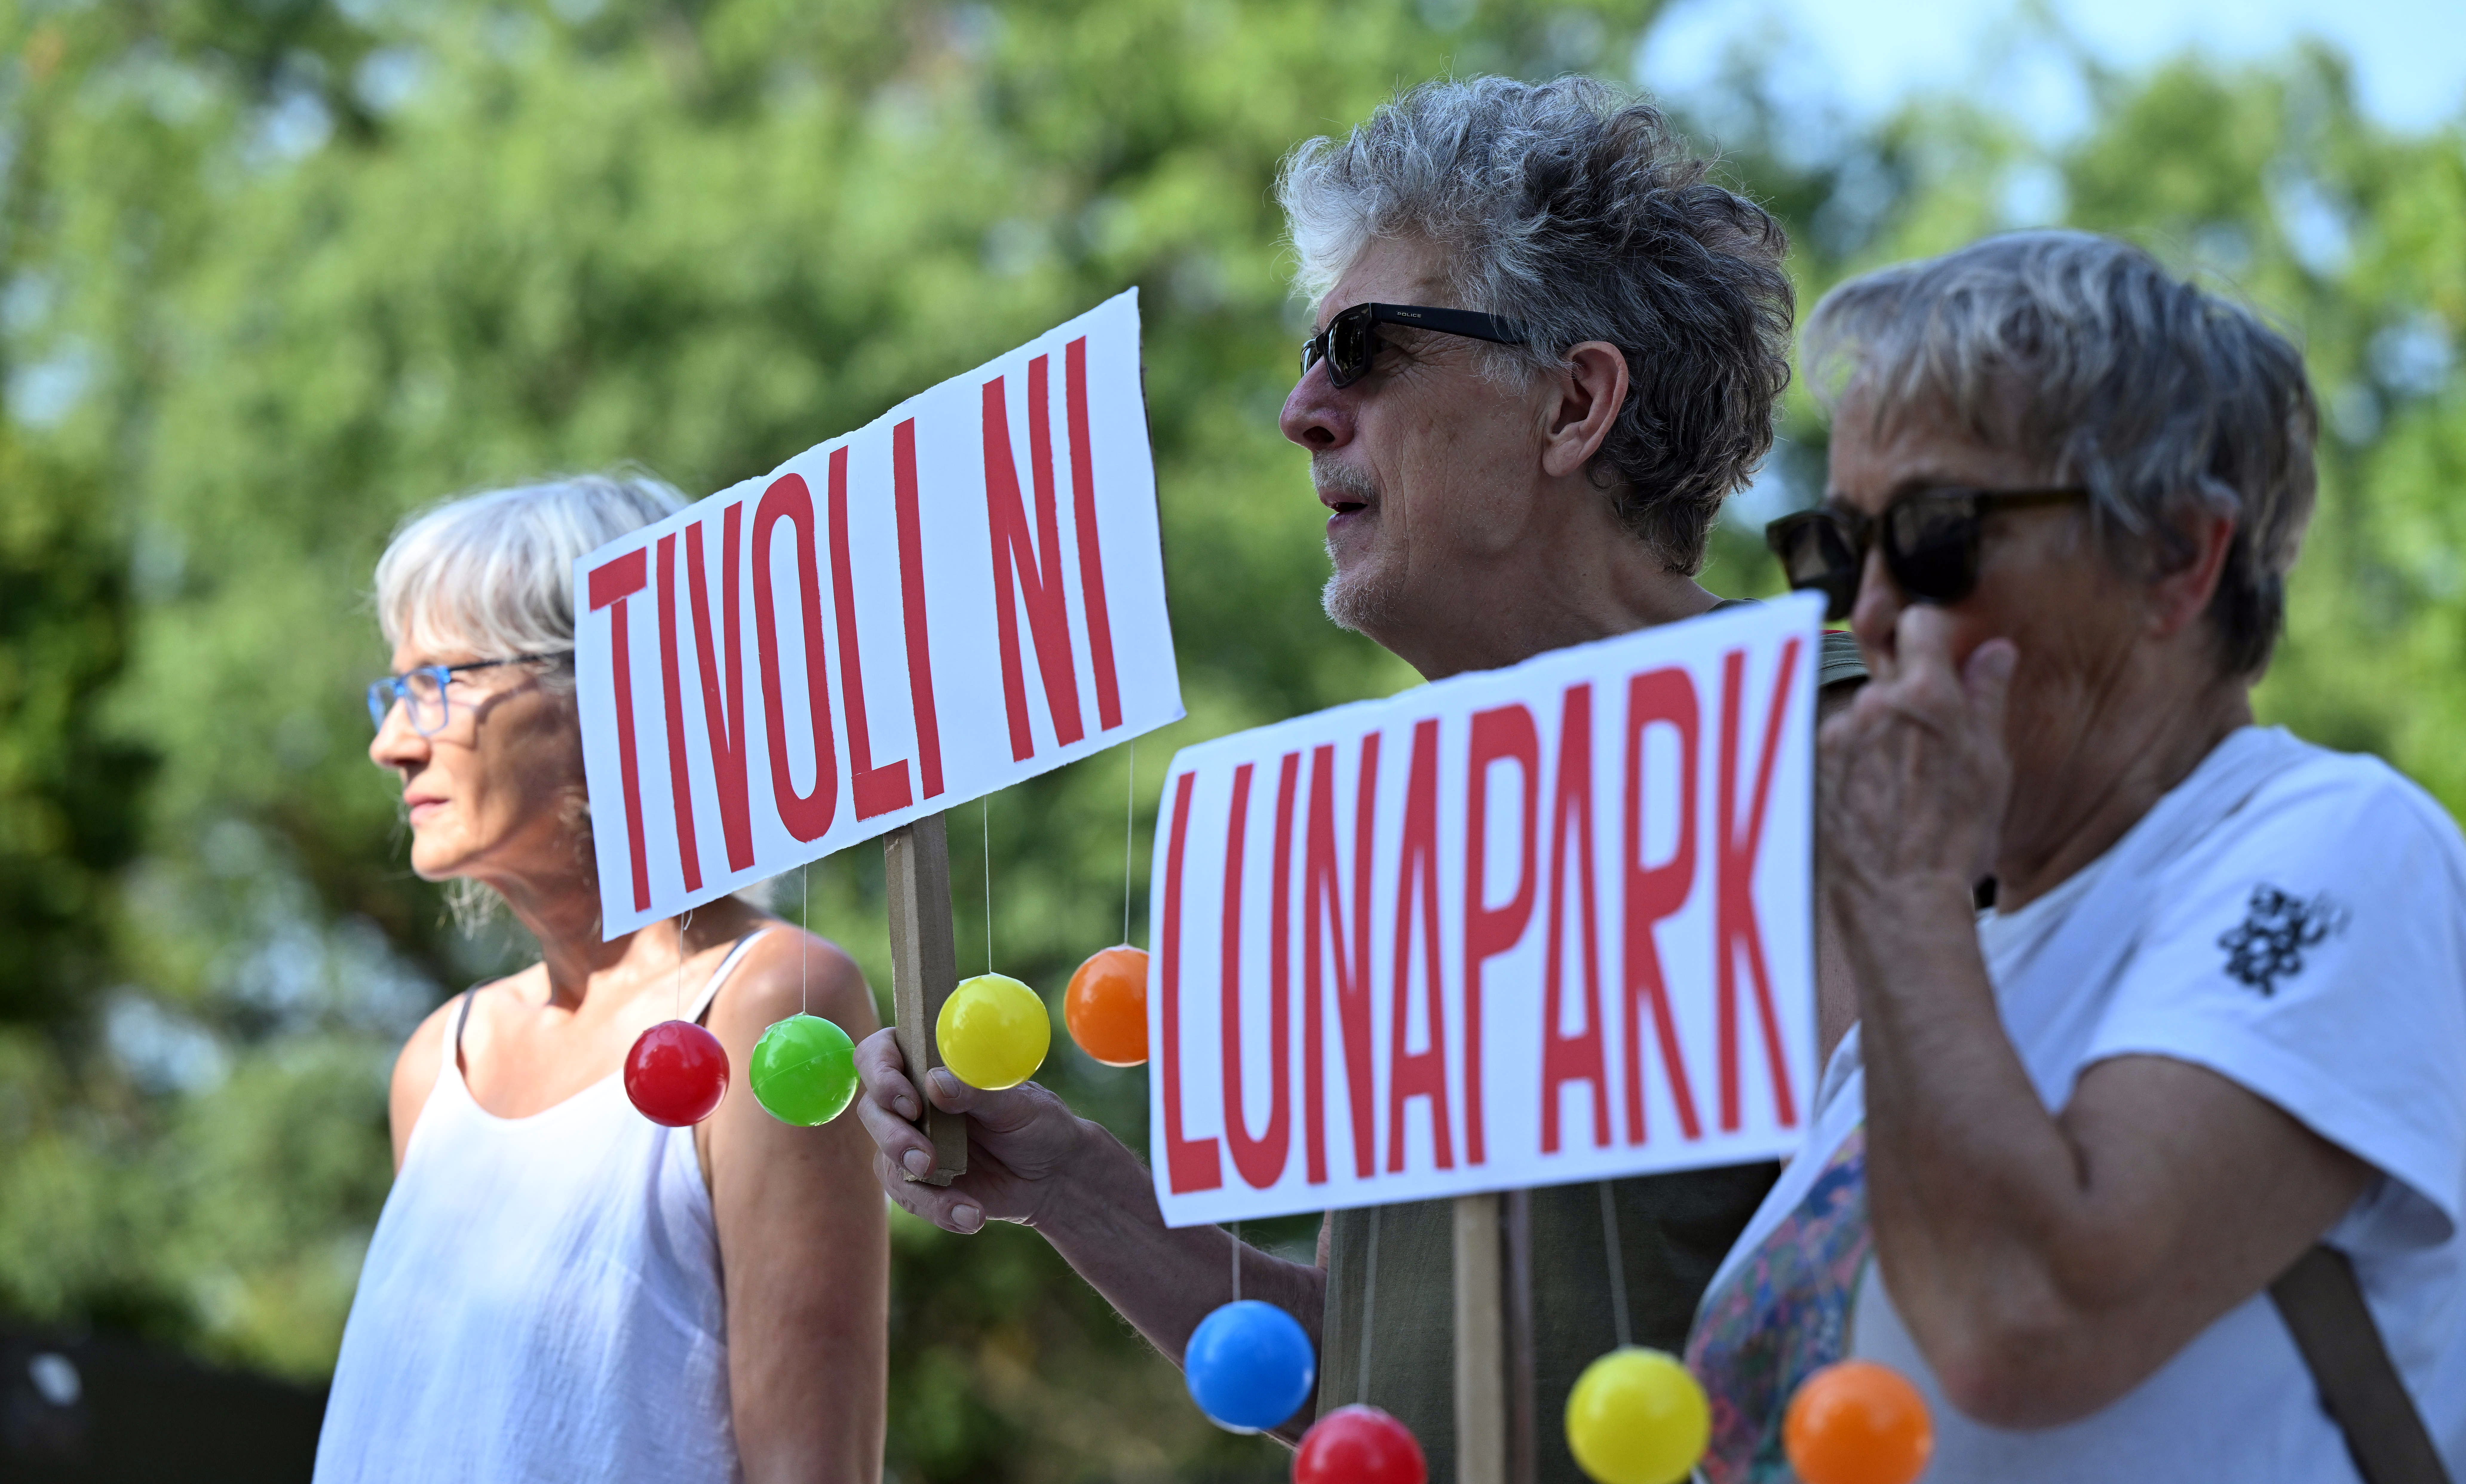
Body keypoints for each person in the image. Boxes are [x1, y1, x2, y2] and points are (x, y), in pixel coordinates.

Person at [851, 76, 1865, 1480]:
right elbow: (1368, 1381)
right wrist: (1078, 1186)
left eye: (1365, 349)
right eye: (1311, 355)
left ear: (1573, 403)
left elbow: (1921, 1312)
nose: (1301, 410)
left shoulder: (1829, 749)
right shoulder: (1408, 811)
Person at [1691, 231, 2466, 1479]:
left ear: (2176, 556)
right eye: (1836, 549)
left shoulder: (2339, 843)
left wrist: (1902, 892)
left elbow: (2025, 1326)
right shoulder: (1921, 1001)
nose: (1871, 612)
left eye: (1934, 535)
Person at [315, 474, 889, 1484]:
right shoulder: (439, 1065)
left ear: (616, 688)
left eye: (440, 682)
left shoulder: (768, 1003)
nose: (391, 743)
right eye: (395, 691)